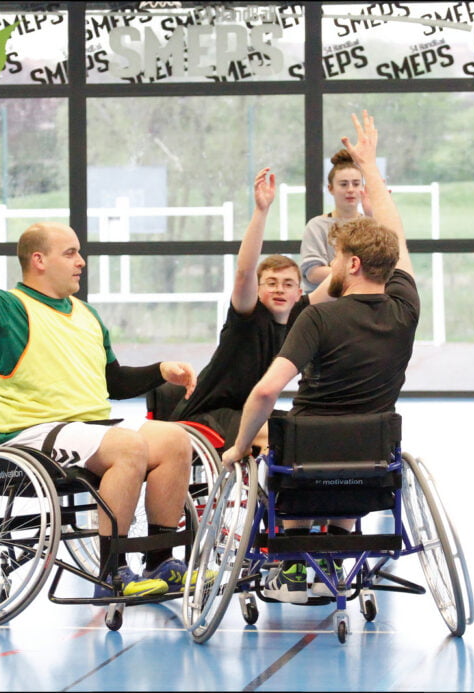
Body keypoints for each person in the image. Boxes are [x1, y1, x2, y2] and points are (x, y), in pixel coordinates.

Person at [0, 196, 199, 598]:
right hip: (32, 434)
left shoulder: (86, 315)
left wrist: (159, 371)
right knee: (128, 447)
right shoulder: (9, 307)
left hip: (88, 431)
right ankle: (112, 571)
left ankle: (160, 561)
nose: (80, 261)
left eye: (79, 253)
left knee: (175, 440)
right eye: (70, 253)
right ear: (39, 260)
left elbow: (113, 383)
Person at [221, 110, 419, 603]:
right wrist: (370, 167)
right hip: (371, 456)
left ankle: (293, 556)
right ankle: (335, 545)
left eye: (332, 260)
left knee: (293, 452)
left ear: (351, 265)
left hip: (307, 455)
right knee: (347, 455)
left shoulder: (316, 318)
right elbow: (397, 235)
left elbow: (268, 390)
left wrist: (238, 444)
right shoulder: (406, 307)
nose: (324, 268)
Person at [169, 167, 329, 453]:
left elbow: (342, 280)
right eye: (271, 283)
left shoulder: (299, 315)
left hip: (251, 412)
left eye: (287, 284)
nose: (280, 289)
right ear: (258, 288)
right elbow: (244, 272)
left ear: (298, 293)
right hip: (207, 415)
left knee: (313, 431)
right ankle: (273, 498)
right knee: (278, 438)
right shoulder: (248, 315)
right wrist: (261, 211)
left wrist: (368, 214)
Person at [298, 148, 368, 293]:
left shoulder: (371, 225)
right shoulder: (316, 226)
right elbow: (313, 273)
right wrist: (355, 275)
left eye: (356, 184)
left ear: (362, 187)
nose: (350, 189)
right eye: (343, 184)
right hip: (324, 304)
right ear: (330, 189)